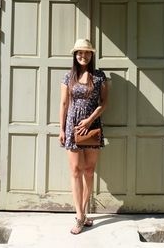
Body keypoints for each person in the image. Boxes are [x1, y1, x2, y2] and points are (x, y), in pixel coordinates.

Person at [59, 38, 109, 235]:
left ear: (92, 55)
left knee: (89, 170)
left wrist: (89, 120)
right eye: (80, 52)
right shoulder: (68, 77)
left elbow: (104, 103)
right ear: (75, 55)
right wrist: (62, 129)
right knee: (75, 172)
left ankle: (84, 212)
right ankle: (79, 216)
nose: (83, 56)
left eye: (87, 53)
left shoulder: (99, 76)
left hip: (92, 125)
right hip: (72, 126)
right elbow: (63, 104)